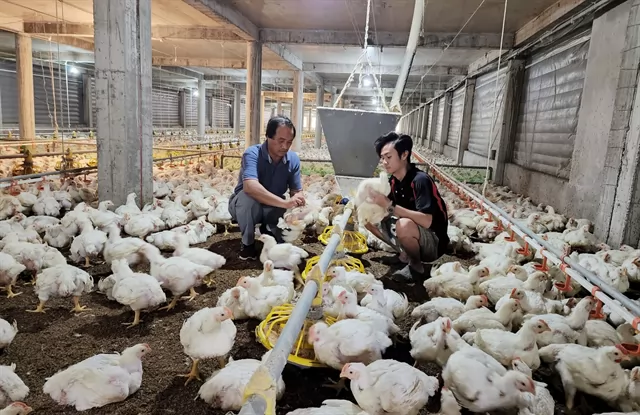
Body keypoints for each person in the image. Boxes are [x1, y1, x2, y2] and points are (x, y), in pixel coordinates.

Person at [364, 132, 449, 281]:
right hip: (415, 232)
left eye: (389, 157)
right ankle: (404, 254)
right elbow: (385, 209)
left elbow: (427, 221)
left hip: (433, 241)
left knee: (403, 224)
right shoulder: (394, 181)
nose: (384, 162)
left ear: (404, 155)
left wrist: (389, 205)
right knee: (368, 219)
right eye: (382, 158)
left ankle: (416, 267)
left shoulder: (420, 180)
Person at [229, 116, 306, 260]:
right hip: (245, 206)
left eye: (289, 142)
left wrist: (298, 198)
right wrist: (285, 203)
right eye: (281, 141)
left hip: (273, 207)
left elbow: (296, 189)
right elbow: (250, 187)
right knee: (248, 199)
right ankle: (248, 244)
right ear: (268, 137)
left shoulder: (293, 159)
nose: (285, 146)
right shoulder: (252, 154)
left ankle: (268, 228)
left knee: (281, 243)